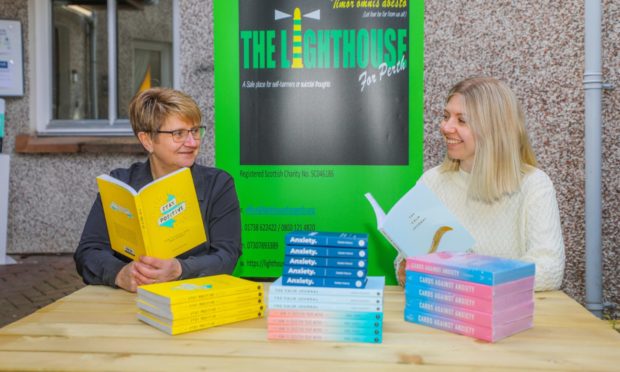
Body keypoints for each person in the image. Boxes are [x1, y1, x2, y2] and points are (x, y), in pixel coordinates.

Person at [396, 77, 565, 291]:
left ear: (493, 129)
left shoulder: (534, 185)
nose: (446, 127)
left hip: (510, 320)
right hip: (443, 313)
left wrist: (466, 274)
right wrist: (405, 269)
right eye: (446, 116)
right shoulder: (432, 181)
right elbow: (403, 259)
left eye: (462, 120)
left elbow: (549, 270)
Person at [75, 88, 241, 292]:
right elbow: (87, 252)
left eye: (195, 131)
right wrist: (120, 274)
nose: (192, 142)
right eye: (178, 134)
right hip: (130, 304)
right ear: (147, 141)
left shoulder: (218, 184)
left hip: (196, 301)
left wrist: (180, 269)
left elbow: (228, 254)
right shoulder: (121, 184)